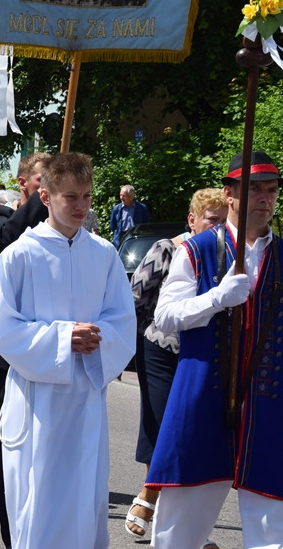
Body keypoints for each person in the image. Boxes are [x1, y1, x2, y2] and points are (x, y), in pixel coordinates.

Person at [0, 152, 135, 549]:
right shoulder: (20, 254)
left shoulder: (103, 254)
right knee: (40, 495)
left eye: (86, 196)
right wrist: (61, 338)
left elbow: (123, 320)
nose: (81, 206)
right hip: (37, 403)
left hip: (85, 395)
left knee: (86, 494)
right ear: (44, 196)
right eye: (71, 197)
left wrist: (102, 340)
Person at [147, 151, 283, 548]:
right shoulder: (198, 249)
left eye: (271, 191)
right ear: (230, 194)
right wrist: (216, 298)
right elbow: (166, 316)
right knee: (178, 530)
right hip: (203, 394)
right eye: (254, 190)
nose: (265, 198)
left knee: (272, 532)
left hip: (268, 404)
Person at [123, 188, 227, 541]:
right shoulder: (169, 249)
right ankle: (152, 499)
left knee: (194, 435)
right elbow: (134, 301)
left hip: (204, 357)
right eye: (212, 221)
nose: (218, 228)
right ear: (192, 220)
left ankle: (184, 524)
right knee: (167, 429)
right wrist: (128, 351)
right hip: (161, 352)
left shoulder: (231, 257)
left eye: (224, 221)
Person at [0, 154, 50, 548]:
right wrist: (43, 197)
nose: (50, 188)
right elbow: (4, 240)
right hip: (5, 348)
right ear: (23, 183)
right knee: (11, 444)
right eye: (42, 181)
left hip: (49, 346)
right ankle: (12, 536)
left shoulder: (64, 219)